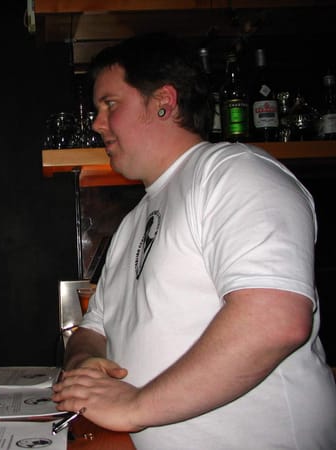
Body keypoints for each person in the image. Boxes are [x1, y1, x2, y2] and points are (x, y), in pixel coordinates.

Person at [51, 33, 336, 449]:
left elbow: (275, 322)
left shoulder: (234, 172)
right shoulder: (132, 223)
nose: (97, 123)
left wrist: (135, 407)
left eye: (110, 104)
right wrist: (85, 366)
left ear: (163, 101)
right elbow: (91, 330)